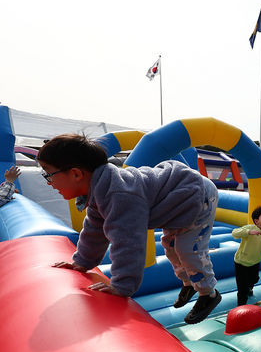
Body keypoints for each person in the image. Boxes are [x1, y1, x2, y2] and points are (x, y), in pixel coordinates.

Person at [37, 134, 221, 324]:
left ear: (76, 174)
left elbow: (128, 241)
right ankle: (189, 282)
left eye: (48, 174)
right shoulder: (99, 192)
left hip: (197, 195)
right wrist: (82, 262)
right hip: (177, 201)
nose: (49, 183)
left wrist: (122, 284)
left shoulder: (119, 195)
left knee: (188, 249)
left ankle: (208, 293)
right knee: (171, 247)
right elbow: (94, 230)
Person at [232, 206, 261, 306]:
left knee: (254, 279)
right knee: (242, 289)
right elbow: (234, 233)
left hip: (255, 262)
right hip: (241, 262)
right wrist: (248, 232)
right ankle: (240, 309)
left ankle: (249, 287)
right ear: (256, 221)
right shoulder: (250, 228)